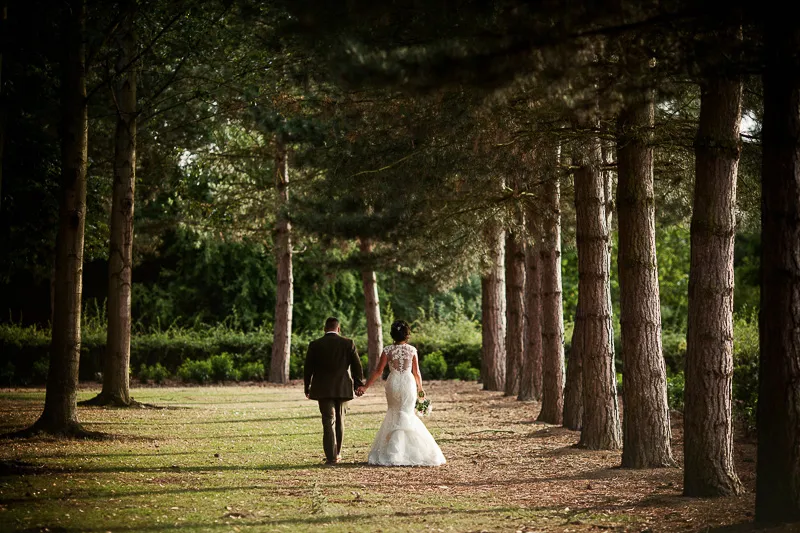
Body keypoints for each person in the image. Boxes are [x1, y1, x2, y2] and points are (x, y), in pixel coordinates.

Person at [358, 320, 446, 466]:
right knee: (406, 413)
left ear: (393, 334)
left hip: (393, 383)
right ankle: (413, 453)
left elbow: (378, 371)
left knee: (394, 412)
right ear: (407, 334)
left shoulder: (387, 350)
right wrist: (420, 389)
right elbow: (416, 372)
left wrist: (365, 386)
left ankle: (393, 452)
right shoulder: (412, 350)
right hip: (408, 383)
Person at [304, 317, 365, 465]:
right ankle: (337, 453)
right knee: (340, 420)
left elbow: (308, 368)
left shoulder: (315, 345)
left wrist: (307, 387)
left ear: (325, 329)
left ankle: (331, 457)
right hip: (343, 387)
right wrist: (358, 384)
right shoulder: (348, 343)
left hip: (322, 388)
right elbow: (357, 366)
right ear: (338, 329)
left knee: (328, 421)